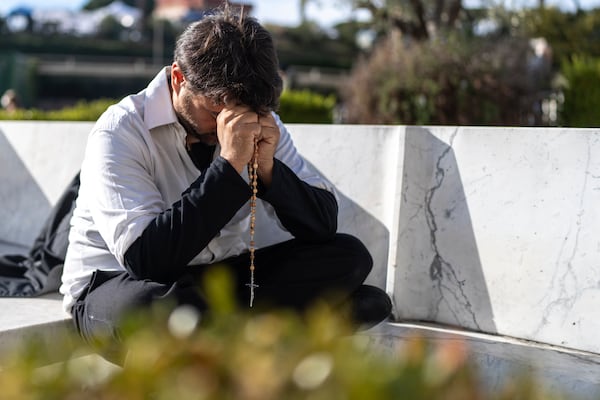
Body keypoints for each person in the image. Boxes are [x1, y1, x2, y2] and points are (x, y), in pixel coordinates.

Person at [60, 8, 392, 347]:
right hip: (120, 283)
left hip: (216, 279)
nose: (227, 125)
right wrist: (231, 165)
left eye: (245, 112)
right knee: (142, 309)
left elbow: (322, 226)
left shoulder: (259, 120)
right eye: (217, 111)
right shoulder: (121, 130)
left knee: (350, 256)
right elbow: (146, 258)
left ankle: (232, 325)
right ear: (178, 79)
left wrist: (268, 171)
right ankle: (266, 323)